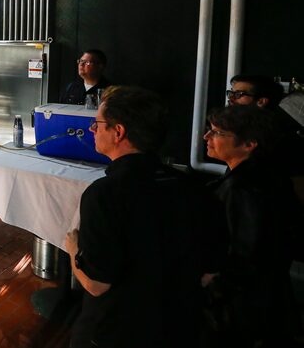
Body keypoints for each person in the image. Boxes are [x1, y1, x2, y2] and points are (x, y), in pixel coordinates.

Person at [65, 86, 219, 348]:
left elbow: (96, 284)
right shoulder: (195, 188)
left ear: (118, 132)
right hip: (181, 327)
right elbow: (210, 272)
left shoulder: (104, 194)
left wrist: (73, 249)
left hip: (117, 331)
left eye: (97, 124)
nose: (92, 130)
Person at [204, 104, 301, 347]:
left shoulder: (242, 189)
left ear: (249, 144)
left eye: (217, 132)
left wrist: (211, 290)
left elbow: (246, 256)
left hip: (243, 312)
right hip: (268, 304)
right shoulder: (269, 177)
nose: (207, 136)